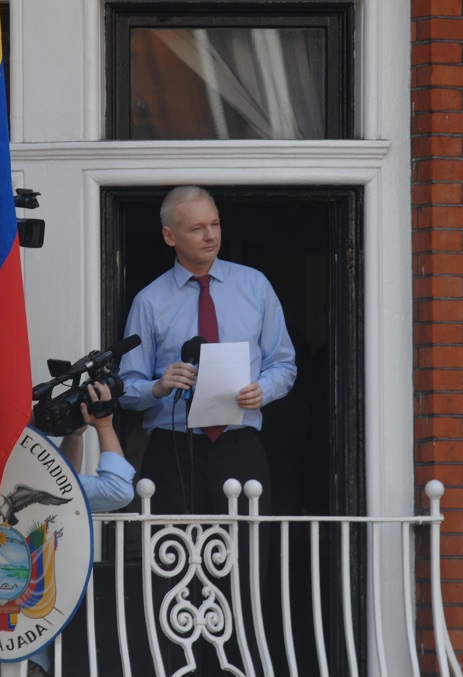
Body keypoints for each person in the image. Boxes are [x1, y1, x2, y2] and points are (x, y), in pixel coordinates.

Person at [118, 186, 296, 674]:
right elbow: (125, 386)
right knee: (172, 568)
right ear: (170, 235)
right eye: (197, 228)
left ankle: (239, 666)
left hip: (240, 446)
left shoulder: (254, 286)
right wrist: (157, 386)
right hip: (172, 451)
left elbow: (285, 363)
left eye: (215, 224)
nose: (211, 235)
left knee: (246, 565)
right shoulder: (150, 301)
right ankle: (177, 667)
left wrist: (265, 389)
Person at [0, 382, 136, 677]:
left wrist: (73, 434)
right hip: (23, 644)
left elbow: (61, 492)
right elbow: (118, 490)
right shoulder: (31, 479)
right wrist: (104, 425)